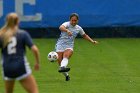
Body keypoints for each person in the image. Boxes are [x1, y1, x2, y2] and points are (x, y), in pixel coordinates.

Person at [0, 13, 40, 93]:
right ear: (18, 22)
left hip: (7, 68)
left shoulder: (2, 35)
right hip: (21, 67)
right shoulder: (23, 34)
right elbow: (35, 49)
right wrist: (37, 63)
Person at [55, 13, 98, 81]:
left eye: (75, 20)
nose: (73, 22)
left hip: (69, 46)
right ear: (70, 20)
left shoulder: (78, 28)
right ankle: (67, 75)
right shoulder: (66, 24)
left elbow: (84, 35)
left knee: (66, 56)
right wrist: (67, 30)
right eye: (72, 20)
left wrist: (92, 41)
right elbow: (60, 27)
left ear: (78, 20)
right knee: (60, 64)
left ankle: (63, 67)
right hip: (60, 45)